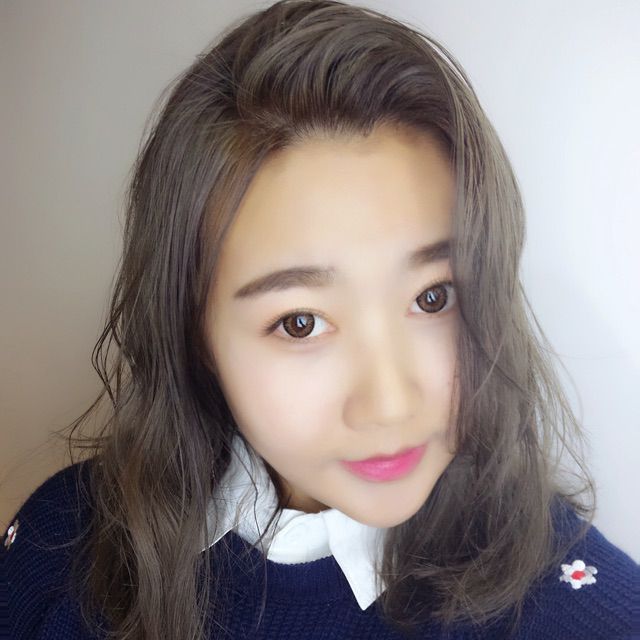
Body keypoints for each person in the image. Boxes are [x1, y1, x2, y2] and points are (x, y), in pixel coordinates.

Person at [2, 1, 638, 639]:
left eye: (433, 297)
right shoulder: (63, 548)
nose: (389, 406)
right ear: (196, 337)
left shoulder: (582, 609)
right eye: (300, 322)